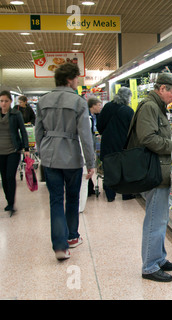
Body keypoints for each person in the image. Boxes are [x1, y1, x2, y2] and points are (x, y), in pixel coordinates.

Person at [35, 63, 95, 261]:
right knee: (72, 198)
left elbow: (38, 132)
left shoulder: (43, 101)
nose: (78, 82)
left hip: (50, 156)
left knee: (55, 201)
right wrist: (91, 162)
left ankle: (60, 246)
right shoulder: (78, 102)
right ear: (70, 79)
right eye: (77, 78)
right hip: (71, 156)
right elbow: (85, 136)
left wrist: (41, 152)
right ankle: (71, 236)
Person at [127, 73, 172, 282]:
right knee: (155, 219)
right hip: (154, 171)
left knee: (161, 218)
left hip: (160, 169)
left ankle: (159, 258)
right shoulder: (150, 107)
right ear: (162, 89)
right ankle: (150, 266)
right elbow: (148, 138)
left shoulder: (156, 106)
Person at [97, 87, 134, 202]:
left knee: (109, 170)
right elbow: (133, 130)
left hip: (107, 144)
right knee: (125, 171)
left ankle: (110, 195)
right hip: (123, 146)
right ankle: (126, 194)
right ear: (128, 97)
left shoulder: (107, 107)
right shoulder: (129, 111)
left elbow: (100, 126)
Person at [0, 91, 30, 216]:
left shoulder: (15, 114)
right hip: (0, 152)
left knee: (10, 176)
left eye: (6, 101)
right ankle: (9, 200)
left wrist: (26, 148)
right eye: (1, 101)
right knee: (4, 178)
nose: (3, 103)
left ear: (11, 102)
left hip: (13, 149)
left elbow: (23, 131)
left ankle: (11, 203)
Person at [79, 97, 102, 213]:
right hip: (85, 149)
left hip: (91, 142)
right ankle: (80, 206)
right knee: (85, 176)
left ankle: (90, 190)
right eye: (98, 105)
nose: (100, 107)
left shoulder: (95, 116)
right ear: (92, 105)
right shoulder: (85, 117)